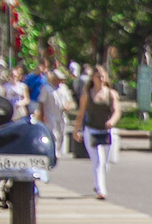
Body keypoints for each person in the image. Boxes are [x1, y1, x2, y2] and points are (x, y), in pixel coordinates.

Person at [78, 67, 120, 200]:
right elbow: (81, 114)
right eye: (98, 77)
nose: (101, 79)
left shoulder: (111, 93)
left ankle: (97, 183)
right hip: (91, 131)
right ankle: (101, 190)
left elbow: (116, 111)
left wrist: (112, 121)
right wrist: (77, 130)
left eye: (103, 76)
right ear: (93, 79)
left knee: (105, 162)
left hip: (106, 132)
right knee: (98, 161)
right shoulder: (87, 94)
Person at [40, 70, 69, 155]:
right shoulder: (46, 88)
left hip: (62, 114)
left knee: (62, 132)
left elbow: (69, 100)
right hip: (50, 114)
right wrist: (42, 115)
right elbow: (41, 102)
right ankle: (54, 151)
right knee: (53, 133)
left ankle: (61, 149)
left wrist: (67, 106)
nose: (60, 81)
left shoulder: (64, 88)